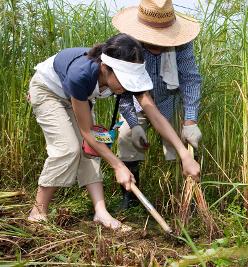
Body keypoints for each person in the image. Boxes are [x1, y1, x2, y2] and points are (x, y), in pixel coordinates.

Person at [27, 33, 200, 231]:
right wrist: (118, 166)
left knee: (89, 151)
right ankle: (38, 211)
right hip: (48, 91)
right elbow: (86, 132)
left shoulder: (121, 75)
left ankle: (100, 212)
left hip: (76, 96)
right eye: (124, 80)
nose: (127, 86)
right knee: (69, 148)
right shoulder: (81, 75)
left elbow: (155, 114)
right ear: (105, 68)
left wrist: (184, 154)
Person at [112, 0, 203, 209]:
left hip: (169, 100)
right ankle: (130, 198)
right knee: (127, 138)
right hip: (136, 102)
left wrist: (190, 121)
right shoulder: (126, 45)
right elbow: (123, 90)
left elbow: (190, 79)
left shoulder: (182, 44)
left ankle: (189, 199)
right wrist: (134, 124)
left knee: (185, 145)